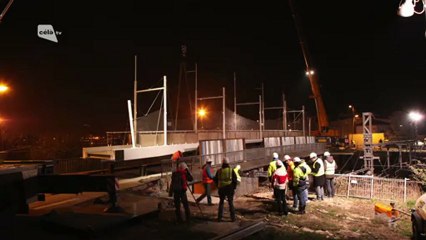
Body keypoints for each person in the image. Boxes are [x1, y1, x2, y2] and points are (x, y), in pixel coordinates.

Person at [214, 157, 238, 222]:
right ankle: (233, 218)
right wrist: (234, 188)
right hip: (229, 188)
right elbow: (235, 180)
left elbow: (215, 179)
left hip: (221, 188)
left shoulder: (219, 171)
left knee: (221, 202)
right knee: (230, 202)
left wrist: (218, 186)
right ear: (228, 163)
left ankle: (219, 218)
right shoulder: (231, 170)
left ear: (222, 163)